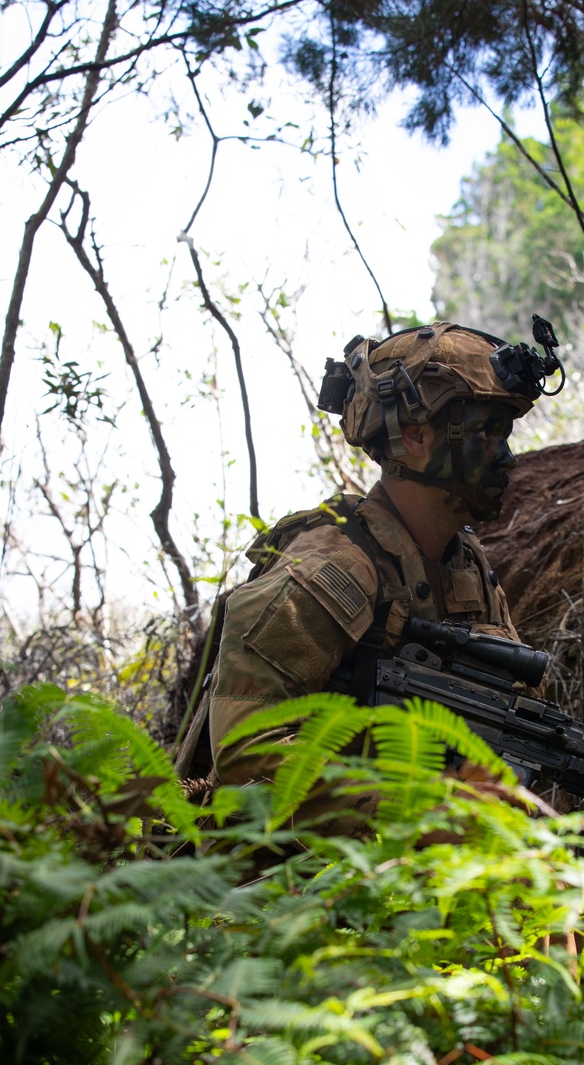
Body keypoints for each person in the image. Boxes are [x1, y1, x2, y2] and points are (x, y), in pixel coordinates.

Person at [205, 318, 561, 785]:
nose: (507, 456)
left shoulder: (466, 568)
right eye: (485, 434)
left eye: (504, 435)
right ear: (414, 437)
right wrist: (423, 813)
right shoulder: (333, 566)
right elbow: (245, 751)